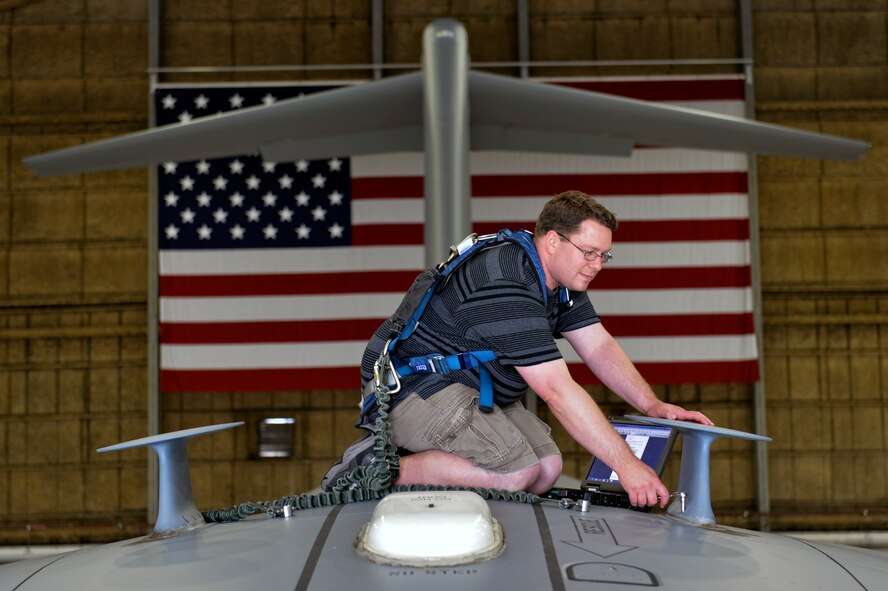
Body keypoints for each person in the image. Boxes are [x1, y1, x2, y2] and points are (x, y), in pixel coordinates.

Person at [322, 190, 713, 507]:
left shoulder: (559, 283)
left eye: (604, 255)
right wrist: (626, 466)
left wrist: (652, 406)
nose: (597, 265)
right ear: (554, 241)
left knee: (547, 467)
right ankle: (378, 467)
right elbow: (556, 390)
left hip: (469, 388)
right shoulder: (505, 281)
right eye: (589, 252)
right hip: (414, 390)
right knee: (514, 474)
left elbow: (598, 348)